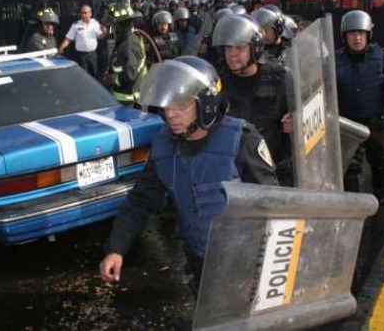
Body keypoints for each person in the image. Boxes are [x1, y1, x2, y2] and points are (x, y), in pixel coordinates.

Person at [98, 56, 278, 295]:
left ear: (206, 103)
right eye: (167, 105)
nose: (170, 114)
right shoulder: (163, 145)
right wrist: (116, 248)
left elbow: (273, 206)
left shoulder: (241, 139)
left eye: (181, 104)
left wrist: (267, 271)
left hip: (245, 266)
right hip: (200, 264)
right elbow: (141, 200)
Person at [212, 14, 295, 187]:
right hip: (232, 177)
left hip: (273, 174)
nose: (232, 54)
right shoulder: (217, 83)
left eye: (239, 47)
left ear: (255, 47)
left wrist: (296, 122)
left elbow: (308, 115)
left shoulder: (279, 77)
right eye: (228, 48)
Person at [335, 10, 384, 205]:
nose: (357, 38)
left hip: (375, 121)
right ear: (344, 36)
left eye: (361, 33)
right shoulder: (334, 61)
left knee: (380, 162)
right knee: (350, 166)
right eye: (352, 33)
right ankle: (356, 204)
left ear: (368, 35)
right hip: (348, 123)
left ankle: (379, 194)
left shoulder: (382, 57)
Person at [107, 5, 147, 105]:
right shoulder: (124, 40)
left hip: (128, 99)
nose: (114, 29)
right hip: (124, 96)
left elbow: (130, 74)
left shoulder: (129, 43)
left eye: (116, 25)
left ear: (123, 25)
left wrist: (113, 79)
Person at [59, 4, 107, 78]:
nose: (85, 15)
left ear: (90, 13)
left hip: (92, 55)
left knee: (94, 76)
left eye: (87, 12)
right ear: (80, 14)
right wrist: (61, 47)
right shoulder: (76, 25)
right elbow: (68, 38)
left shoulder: (95, 23)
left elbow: (100, 37)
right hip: (81, 56)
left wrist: (104, 32)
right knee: (84, 77)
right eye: (83, 13)